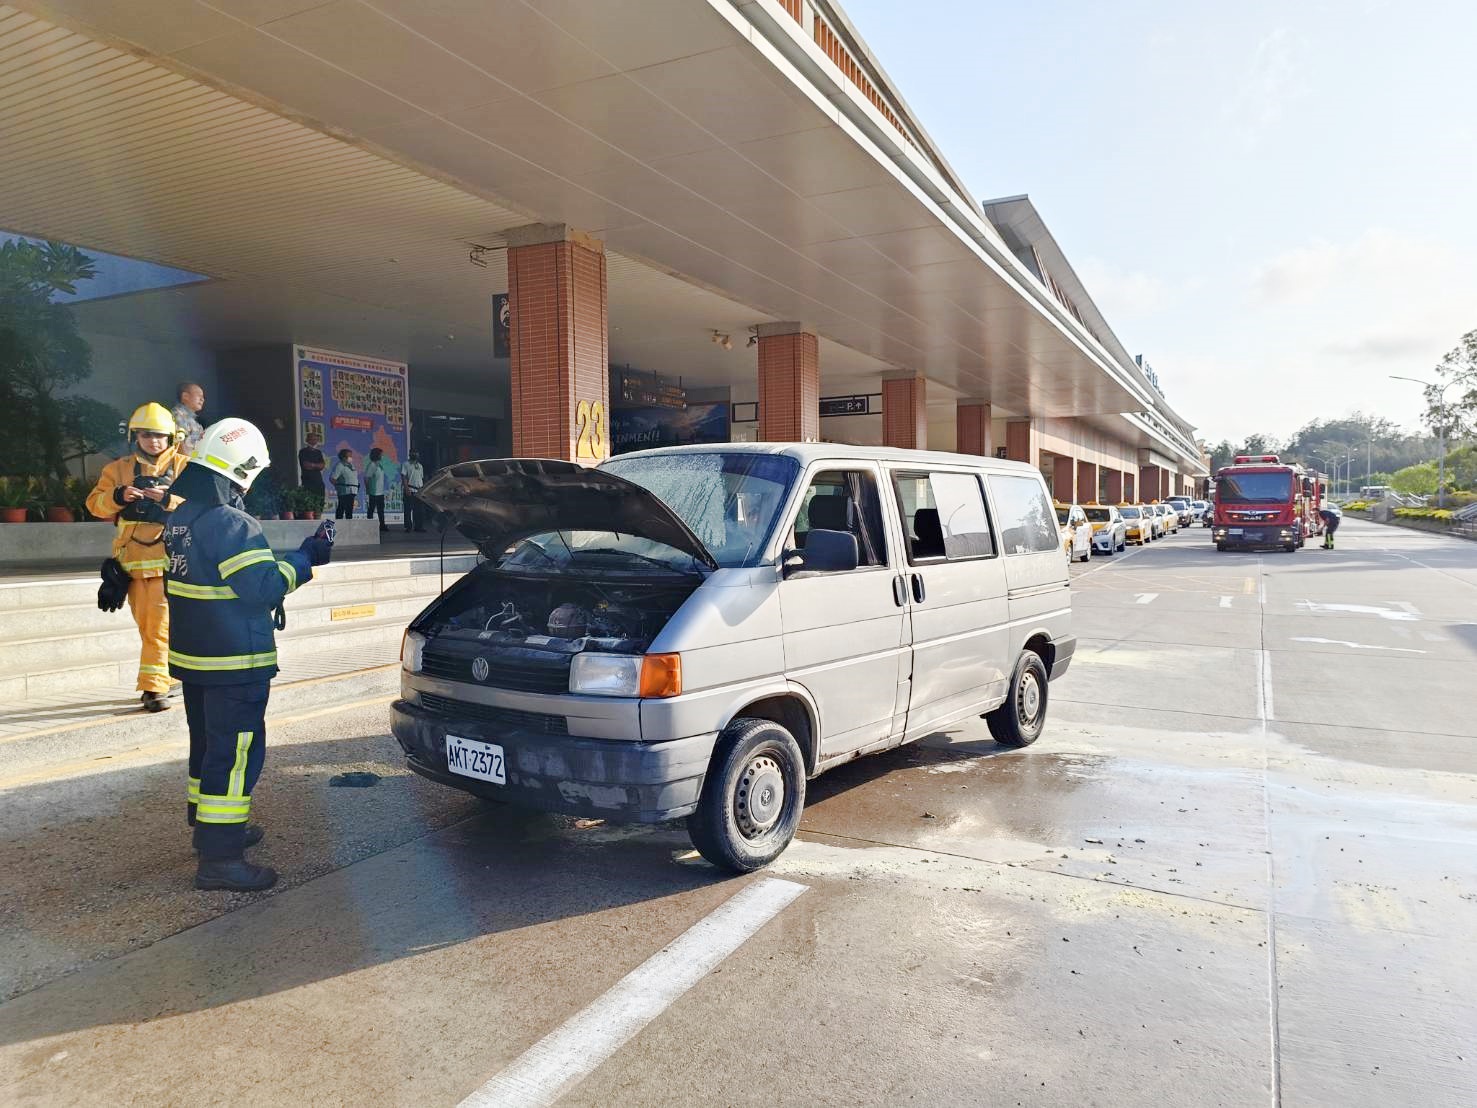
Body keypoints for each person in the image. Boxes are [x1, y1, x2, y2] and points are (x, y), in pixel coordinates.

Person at [163, 417, 332, 891]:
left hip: (196, 659)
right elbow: (262, 588)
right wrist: (306, 559)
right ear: (243, 470)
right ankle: (221, 861)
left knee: (208, 746)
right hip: (235, 662)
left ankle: (211, 829)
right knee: (235, 755)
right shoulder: (234, 524)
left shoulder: (180, 519)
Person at [86, 403, 189, 712]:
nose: (153, 441)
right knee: (148, 626)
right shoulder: (117, 469)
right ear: (135, 437)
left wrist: (168, 498)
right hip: (131, 562)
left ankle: (153, 688)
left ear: (171, 437)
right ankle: (169, 676)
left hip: (171, 559)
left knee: (158, 624)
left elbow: (205, 505)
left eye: (159, 435)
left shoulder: (186, 466)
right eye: (146, 435)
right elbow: (95, 505)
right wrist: (119, 496)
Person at [171, 382, 206, 457]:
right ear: (185, 396)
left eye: (203, 397)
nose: (202, 399)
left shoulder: (193, 421)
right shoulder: (178, 415)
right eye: (199, 395)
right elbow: (179, 445)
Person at [297, 432, 326, 507]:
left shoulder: (318, 452)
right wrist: (317, 465)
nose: (314, 441)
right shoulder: (303, 451)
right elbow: (306, 465)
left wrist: (312, 465)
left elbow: (322, 465)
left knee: (320, 503)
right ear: (307, 440)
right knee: (309, 504)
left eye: (316, 439)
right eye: (312, 439)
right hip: (308, 481)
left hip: (318, 481)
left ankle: (318, 517)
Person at [401, 449, 426, 533]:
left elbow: (421, 478)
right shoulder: (406, 464)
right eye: (413, 453)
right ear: (410, 454)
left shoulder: (420, 466)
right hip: (410, 489)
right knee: (408, 510)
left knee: (419, 510)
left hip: (419, 490)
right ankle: (408, 527)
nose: (415, 454)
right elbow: (403, 477)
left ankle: (419, 526)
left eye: (416, 453)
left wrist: (422, 490)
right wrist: (406, 488)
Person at [329, 448, 358, 519]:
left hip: (352, 490)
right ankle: (339, 524)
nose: (351, 458)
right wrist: (339, 487)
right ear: (343, 457)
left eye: (351, 456)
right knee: (342, 508)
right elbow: (332, 478)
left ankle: (349, 525)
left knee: (349, 509)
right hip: (344, 491)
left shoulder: (351, 465)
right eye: (349, 456)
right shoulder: (340, 465)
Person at [364, 446, 388, 531]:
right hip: (373, 492)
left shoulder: (379, 465)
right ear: (377, 455)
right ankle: (369, 526)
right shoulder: (372, 465)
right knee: (371, 509)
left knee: (381, 510)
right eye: (381, 454)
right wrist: (368, 489)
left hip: (380, 492)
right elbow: (366, 478)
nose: (382, 456)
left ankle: (382, 525)